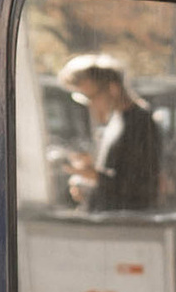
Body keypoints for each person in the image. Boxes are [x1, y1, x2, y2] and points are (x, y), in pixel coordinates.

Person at [64, 57, 163, 214]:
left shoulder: (141, 122)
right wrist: (89, 182)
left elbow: (140, 188)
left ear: (113, 89)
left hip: (128, 226)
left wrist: (94, 175)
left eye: (91, 97)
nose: (90, 104)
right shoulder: (116, 120)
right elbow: (117, 175)